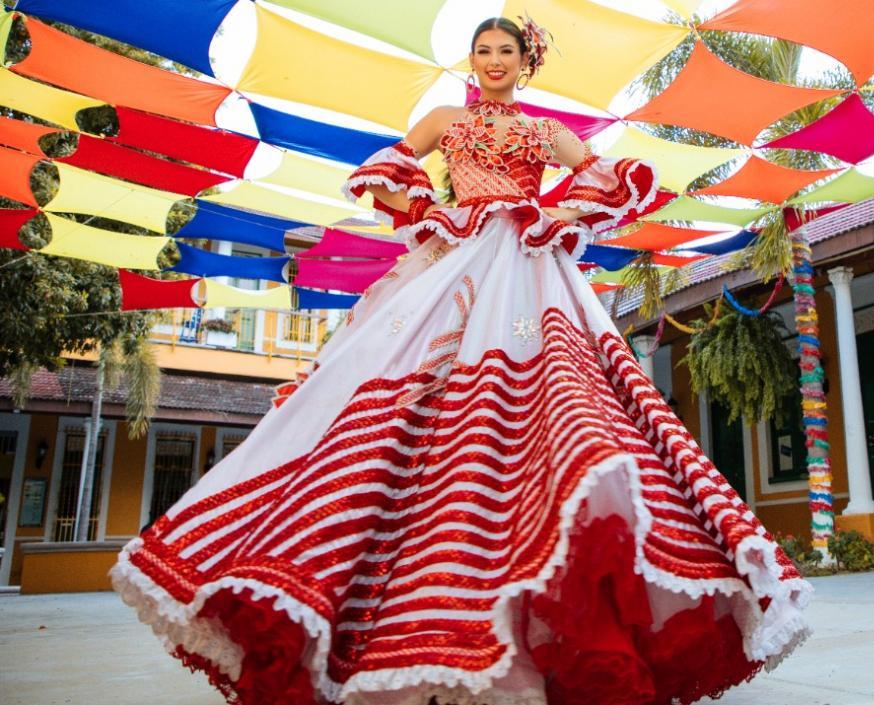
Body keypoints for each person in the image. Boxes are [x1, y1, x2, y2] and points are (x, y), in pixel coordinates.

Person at [112, 16, 810, 705]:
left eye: (507, 50)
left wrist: (560, 216)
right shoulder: (446, 115)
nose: (495, 60)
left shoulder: (544, 131)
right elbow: (386, 170)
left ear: (525, 62)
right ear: (471, 60)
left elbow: (604, 177)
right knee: (406, 399)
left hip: (528, 265)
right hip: (458, 260)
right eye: (484, 50)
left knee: (566, 398)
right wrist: (425, 212)